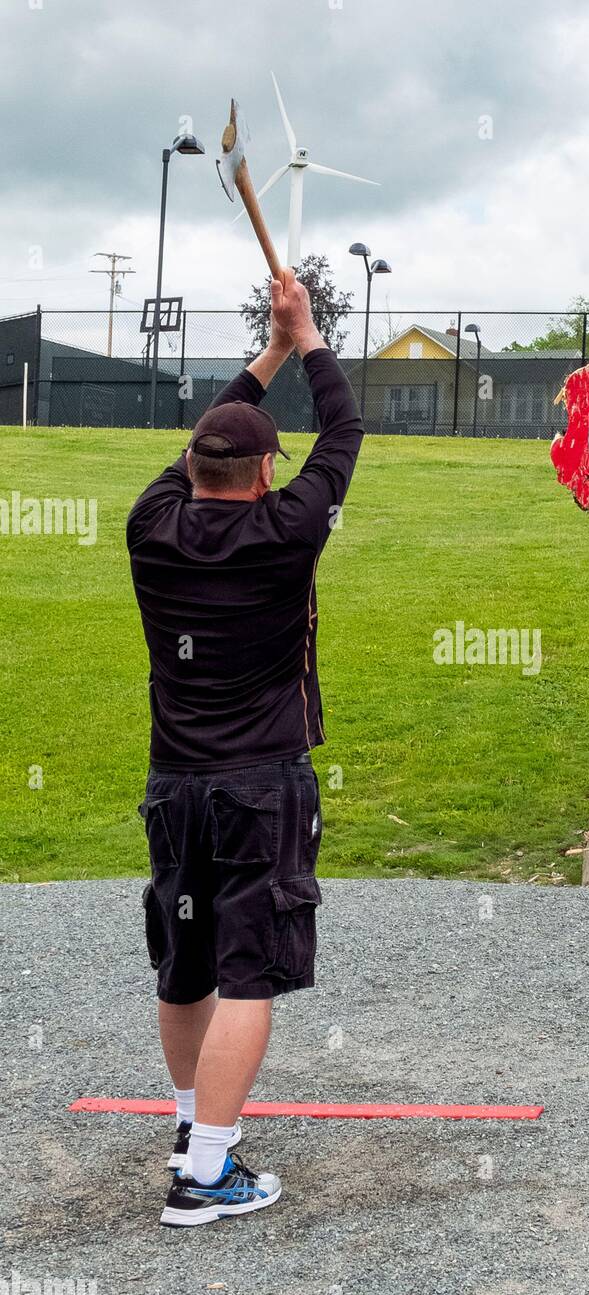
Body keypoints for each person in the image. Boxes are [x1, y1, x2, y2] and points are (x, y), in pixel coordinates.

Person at [126, 271, 363, 1226]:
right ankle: (207, 1173)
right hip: (260, 786)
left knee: (185, 965)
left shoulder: (150, 524)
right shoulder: (288, 528)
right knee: (246, 973)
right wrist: (305, 337)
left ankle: (195, 1128)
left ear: (189, 467)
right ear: (265, 474)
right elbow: (343, 434)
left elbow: (221, 431)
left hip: (174, 784)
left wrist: (270, 350)